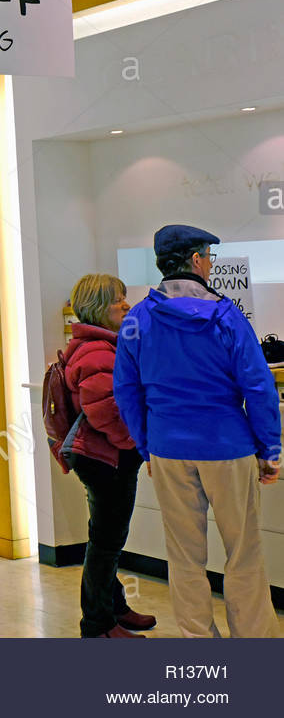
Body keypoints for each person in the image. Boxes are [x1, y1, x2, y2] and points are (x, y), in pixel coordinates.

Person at [115, 224, 281, 638]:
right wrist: (270, 448)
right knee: (243, 552)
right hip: (227, 447)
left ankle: (198, 643)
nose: (211, 263)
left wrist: (147, 446)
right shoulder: (227, 316)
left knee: (184, 555)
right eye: (209, 256)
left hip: (170, 450)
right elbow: (257, 386)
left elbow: (126, 390)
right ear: (195, 261)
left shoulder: (137, 319)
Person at [63, 274, 154, 638]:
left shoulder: (97, 346)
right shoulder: (98, 352)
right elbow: (106, 412)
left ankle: (114, 608)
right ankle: (98, 625)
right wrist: (134, 443)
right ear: (100, 307)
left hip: (103, 458)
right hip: (108, 459)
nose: (126, 305)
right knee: (106, 543)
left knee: (106, 538)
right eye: (119, 300)